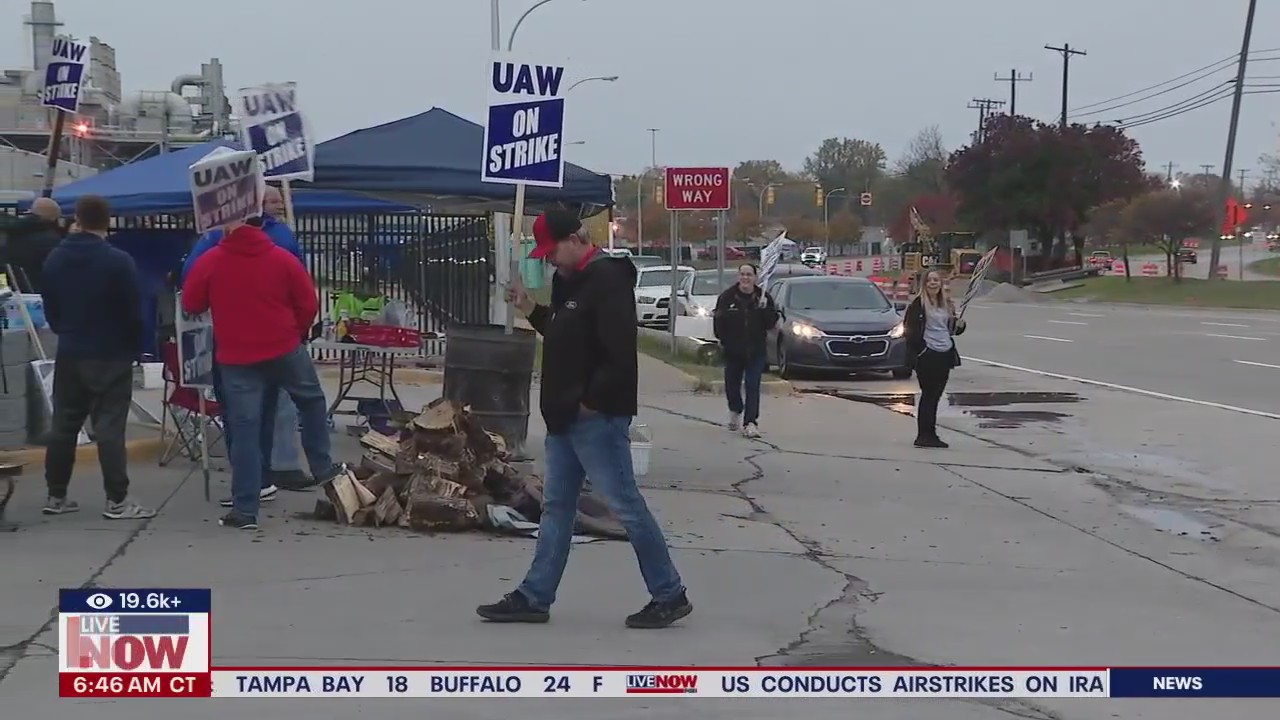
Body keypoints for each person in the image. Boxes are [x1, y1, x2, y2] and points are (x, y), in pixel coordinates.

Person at [476, 209, 691, 629]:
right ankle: (534, 596)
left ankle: (669, 593)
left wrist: (592, 401)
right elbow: (562, 332)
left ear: (576, 239)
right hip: (563, 418)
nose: (549, 260)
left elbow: (619, 352)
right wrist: (530, 307)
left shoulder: (608, 281)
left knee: (625, 505)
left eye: (552, 250)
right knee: (556, 507)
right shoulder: (566, 282)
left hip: (596, 418)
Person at [181, 219, 343, 530]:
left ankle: (245, 509)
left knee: (244, 429)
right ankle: (322, 465)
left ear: (227, 229)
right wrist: (295, 332)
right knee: (310, 401)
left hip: (236, 356)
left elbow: (192, 302)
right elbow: (308, 303)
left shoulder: (211, 260)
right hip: (284, 347)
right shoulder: (282, 258)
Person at [181, 185, 312, 494]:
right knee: (272, 408)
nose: (277, 205)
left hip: (234, 345)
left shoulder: (216, 243)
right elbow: (305, 294)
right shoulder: (277, 241)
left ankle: (251, 485)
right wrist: (296, 332)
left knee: (241, 416)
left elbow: (191, 292)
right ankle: (268, 475)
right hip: (275, 341)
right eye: (271, 200)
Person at [40, 195, 155, 519]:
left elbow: (51, 307)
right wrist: (133, 347)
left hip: (71, 350)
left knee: (63, 425)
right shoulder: (118, 261)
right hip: (110, 352)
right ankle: (117, 499)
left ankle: (56, 495)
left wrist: (66, 330)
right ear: (107, 221)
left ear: (77, 218)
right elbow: (133, 311)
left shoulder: (55, 258)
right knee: (110, 428)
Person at [902, 269, 967, 449]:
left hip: (945, 353)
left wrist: (960, 326)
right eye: (929, 280)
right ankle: (924, 435)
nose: (933, 283)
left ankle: (931, 434)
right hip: (928, 354)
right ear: (924, 284)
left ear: (940, 283)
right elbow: (909, 330)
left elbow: (952, 330)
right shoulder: (918, 304)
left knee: (936, 396)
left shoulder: (946, 304)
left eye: (936, 280)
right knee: (928, 395)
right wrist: (922, 350)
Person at [712, 263, 778, 438]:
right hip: (733, 351)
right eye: (742, 274)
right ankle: (735, 409)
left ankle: (750, 422)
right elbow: (719, 321)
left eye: (749, 275)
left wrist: (765, 309)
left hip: (756, 351)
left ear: (755, 277)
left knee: (752, 384)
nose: (745, 278)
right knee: (731, 385)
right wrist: (723, 340)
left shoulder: (763, 297)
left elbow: (771, 323)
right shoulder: (727, 297)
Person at [5, 197, 65, 292]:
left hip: (11, 289)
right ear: (54, 218)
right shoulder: (50, 239)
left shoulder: (12, 231)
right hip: (39, 291)